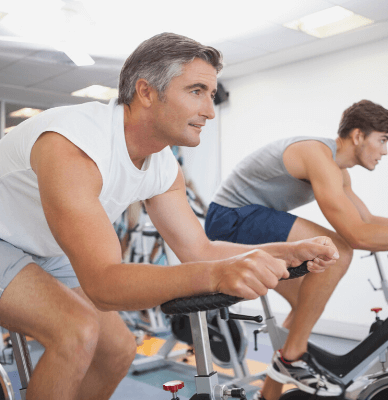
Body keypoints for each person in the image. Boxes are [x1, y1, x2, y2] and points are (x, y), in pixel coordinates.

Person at [0, 33, 338, 400]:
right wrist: (217, 275)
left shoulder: (162, 165)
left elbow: (199, 249)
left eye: (210, 95)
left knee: (117, 351)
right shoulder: (74, 146)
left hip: (45, 249)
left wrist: (282, 252)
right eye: (196, 91)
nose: (209, 110)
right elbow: (104, 285)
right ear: (146, 92)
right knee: (76, 331)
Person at [205, 99, 388, 399]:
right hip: (230, 218)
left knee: (306, 302)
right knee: (337, 250)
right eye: (383, 140)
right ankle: (291, 358)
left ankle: (268, 393)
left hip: (247, 217)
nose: (386, 150)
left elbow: (368, 220)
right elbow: (357, 236)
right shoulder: (317, 155)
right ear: (359, 135)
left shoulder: (338, 171)